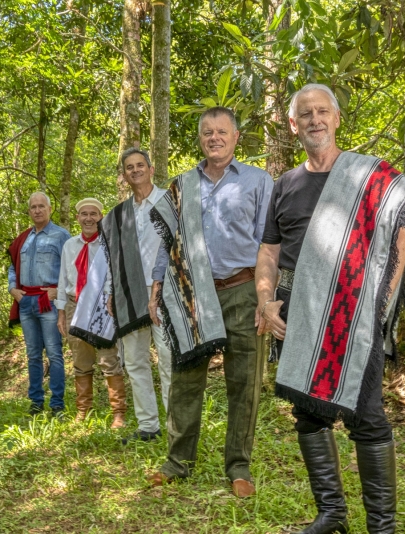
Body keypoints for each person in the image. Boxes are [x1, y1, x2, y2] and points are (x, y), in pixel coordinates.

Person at [256, 84, 405, 533]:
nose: (314, 119)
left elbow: (400, 245)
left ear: (336, 118)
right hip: (300, 311)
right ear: (292, 126)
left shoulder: (368, 177)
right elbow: (270, 251)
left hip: (355, 316)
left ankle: (382, 527)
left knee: (366, 414)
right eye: (305, 114)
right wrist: (264, 298)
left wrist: (378, 306)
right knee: (308, 411)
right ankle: (332, 514)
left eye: (322, 111)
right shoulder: (285, 185)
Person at [146, 107, 273, 498]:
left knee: (244, 381)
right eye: (207, 132)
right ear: (199, 139)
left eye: (222, 131)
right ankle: (177, 462)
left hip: (243, 290)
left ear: (236, 137)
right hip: (191, 293)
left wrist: (267, 297)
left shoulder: (258, 181)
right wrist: (155, 286)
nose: (214, 137)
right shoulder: (181, 185)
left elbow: (269, 245)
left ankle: (239, 466)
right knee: (186, 379)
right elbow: (167, 241)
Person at [90, 147, 173, 443]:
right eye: (129, 167)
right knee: (136, 362)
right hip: (129, 295)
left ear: (151, 169)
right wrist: (112, 293)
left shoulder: (169, 201)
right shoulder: (119, 215)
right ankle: (148, 426)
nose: (135, 170)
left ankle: (176, 426)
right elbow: (113, 259)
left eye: (140, 165)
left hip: (166, 292)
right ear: (124, 175)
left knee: (168, 359)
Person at [56, 198, 128, 428]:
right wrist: (61, 312)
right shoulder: (69, 245)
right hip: (73, 305)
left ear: (100, 217)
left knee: (108, 358)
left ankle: (118, 414)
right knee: (80, 360)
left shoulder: (108, 243)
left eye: (93, 214)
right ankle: (82, 411)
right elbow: (63, 280)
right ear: (78, 218)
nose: (88, 218)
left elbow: (113, 277)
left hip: (101, 306)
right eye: (84, 214)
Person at [8, 192, 71, 417]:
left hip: (49, 303)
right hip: (26, 302)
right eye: (33, 207)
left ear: (50, 208)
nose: (37, 210)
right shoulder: (24, 238)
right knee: (33, 354)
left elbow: (72, 267)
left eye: (41, 206)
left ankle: (57, 404)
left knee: (54, 353)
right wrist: (13, 289)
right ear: (29, 211)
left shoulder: (61, 235)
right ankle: (35, 401)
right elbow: (12, 266)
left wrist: (59, 291)